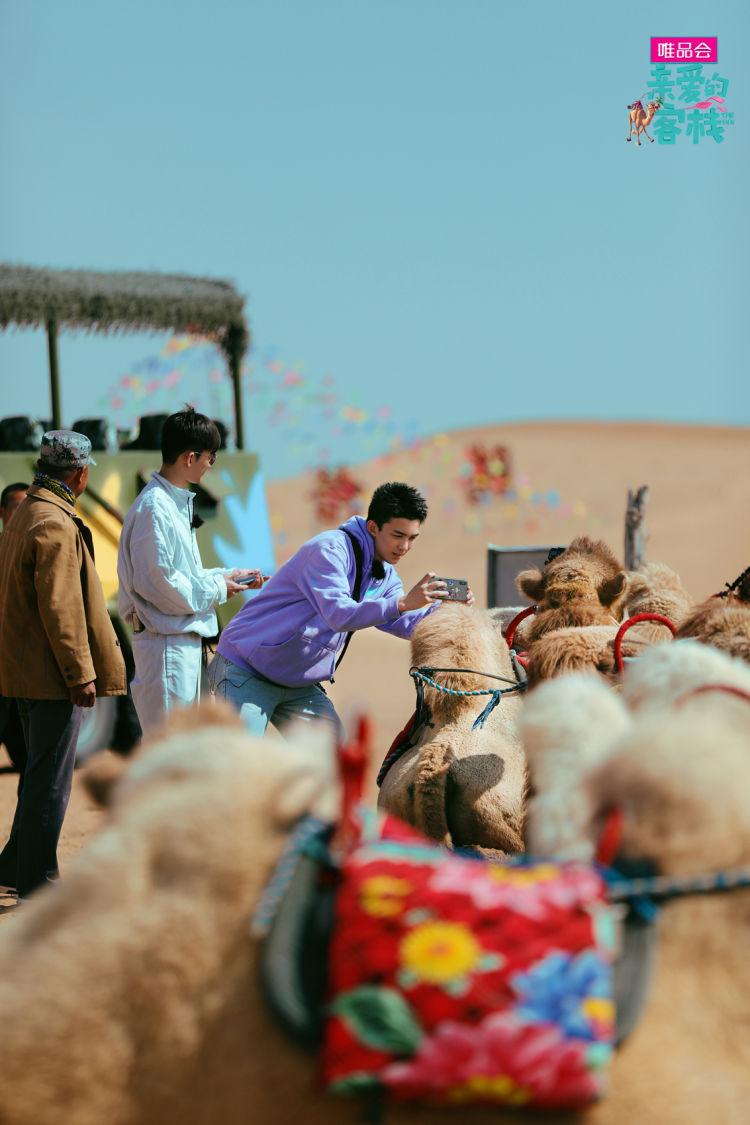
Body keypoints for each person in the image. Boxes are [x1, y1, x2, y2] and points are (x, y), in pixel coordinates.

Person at [210, 481, 473, 738]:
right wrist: (404, 602)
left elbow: (403, 622)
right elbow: (339, 614)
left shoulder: (385, 574)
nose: (404, 547)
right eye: (397, 535)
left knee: (339, 767)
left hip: (299, 685)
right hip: (245, 671)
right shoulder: (329, 550)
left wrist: (447, 613)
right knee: (241, 768)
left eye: (412, 538)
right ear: (373, 527)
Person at [0, 432, 126, 899]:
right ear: (80, 473)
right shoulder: (54, 522)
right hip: (50, 677)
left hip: (26, 671)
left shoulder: (27, 514)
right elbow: (61, 607)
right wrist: (80, 673)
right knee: (50, 783)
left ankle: (16, 864)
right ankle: (39, 883)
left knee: (38, 776)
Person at [117, 405, 264, 737]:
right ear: (189, 457)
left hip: (180, 643)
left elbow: (183, 574)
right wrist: (216, 589)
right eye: (209, 458)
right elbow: (160, 583)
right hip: (166, 647)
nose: (211, 466)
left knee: (184, 755)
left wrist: (227, 577)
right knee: (170, 757)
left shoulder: (172, 505)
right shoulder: (155, 508)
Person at [0, 482, 29, 784]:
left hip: (22, 680)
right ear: (3, 512)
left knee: (30, 765)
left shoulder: (35, 552)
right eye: (17, 507)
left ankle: (22, 833)